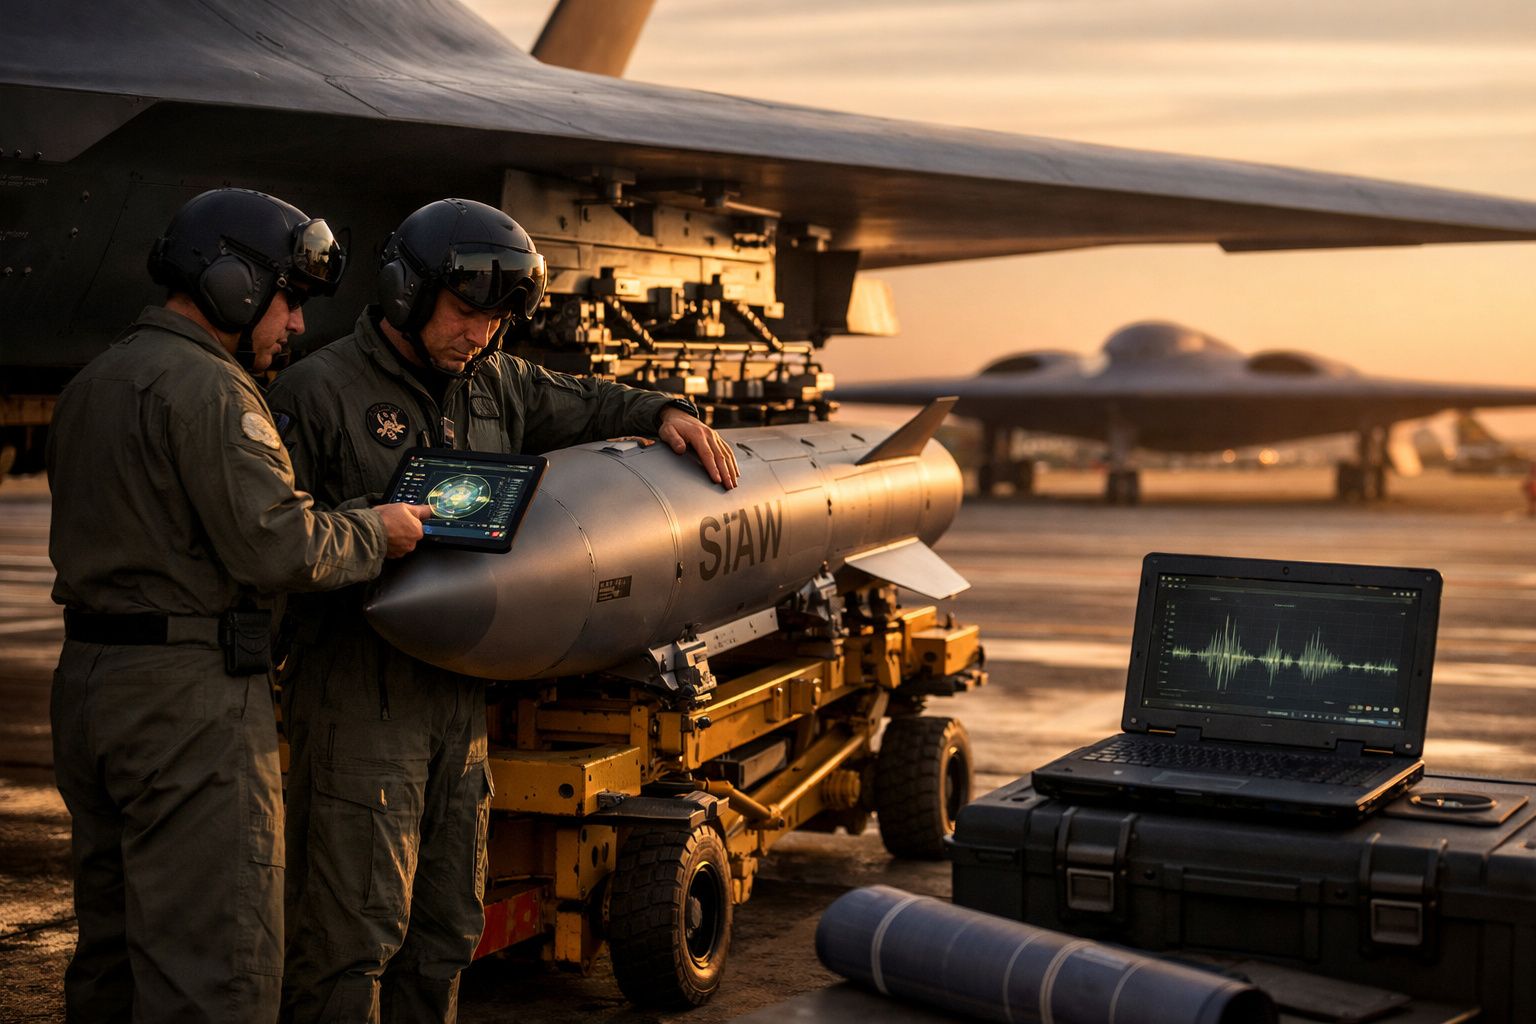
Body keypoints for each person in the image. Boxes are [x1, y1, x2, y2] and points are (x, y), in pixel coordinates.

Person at [268, 197, 738, 1023]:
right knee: (350, 938)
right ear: (406, 295)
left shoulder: (494, 385)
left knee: (447, 929)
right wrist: (366, 535)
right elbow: (270, 547)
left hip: (461, 706)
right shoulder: (316, 393)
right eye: (464, 313)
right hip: (358, 707)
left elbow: (588, 402)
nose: (478, 335)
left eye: (494, 321)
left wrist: (664, 412)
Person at [47, 187, 431, 1022]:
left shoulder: (96, 382)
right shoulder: (213, 392)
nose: (295, 325)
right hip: (189, 708)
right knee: (215, 966)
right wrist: (378, 529)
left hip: (90, 688)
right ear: (233, 285)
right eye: (288, 299)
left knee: (110, 960)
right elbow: (279, 544)